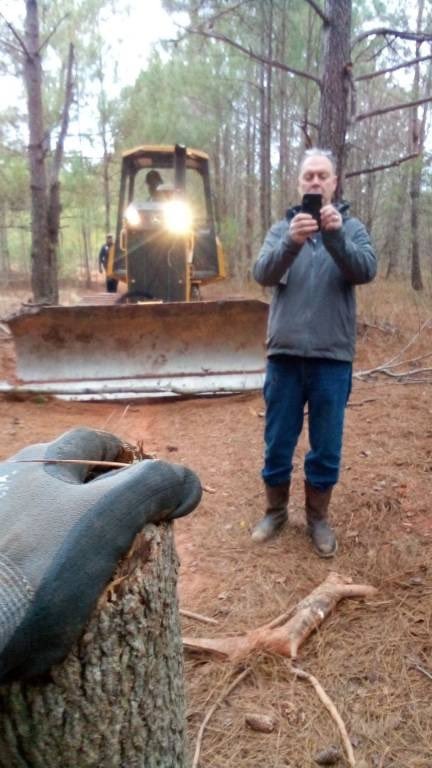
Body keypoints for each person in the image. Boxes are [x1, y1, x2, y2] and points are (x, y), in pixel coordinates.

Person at [251, 148, 377, 557]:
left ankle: (318, 518)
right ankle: (275, 511)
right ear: (300, 182)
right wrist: (292, 242)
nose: (316, 182)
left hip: (331, 358)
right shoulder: (282, 230)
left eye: (323, 176)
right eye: (309, 176)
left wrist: (335, 235)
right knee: (278, 441)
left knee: (326, 445)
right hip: (284, 357)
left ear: (335, 183)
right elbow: (262, 273)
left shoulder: (352, 228)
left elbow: (365, 270)